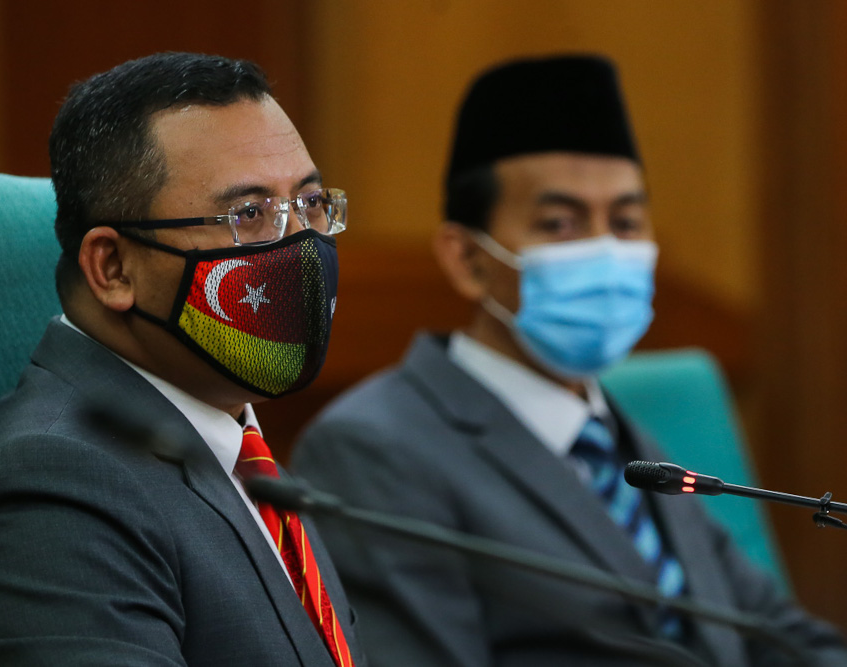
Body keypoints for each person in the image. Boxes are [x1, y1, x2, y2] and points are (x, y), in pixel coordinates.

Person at [292, 54, 847, 666]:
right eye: (560, 223)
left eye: (626, 221)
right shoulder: (372, 449)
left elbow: (779, 636)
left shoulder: (626, 439)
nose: (605, 250)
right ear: (468, 260)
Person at [0, 52, 362, 667]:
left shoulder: (238, 447)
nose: (302, 246)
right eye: (249, 215)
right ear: (112, 268)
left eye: (311, 202)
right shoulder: (52, 486)